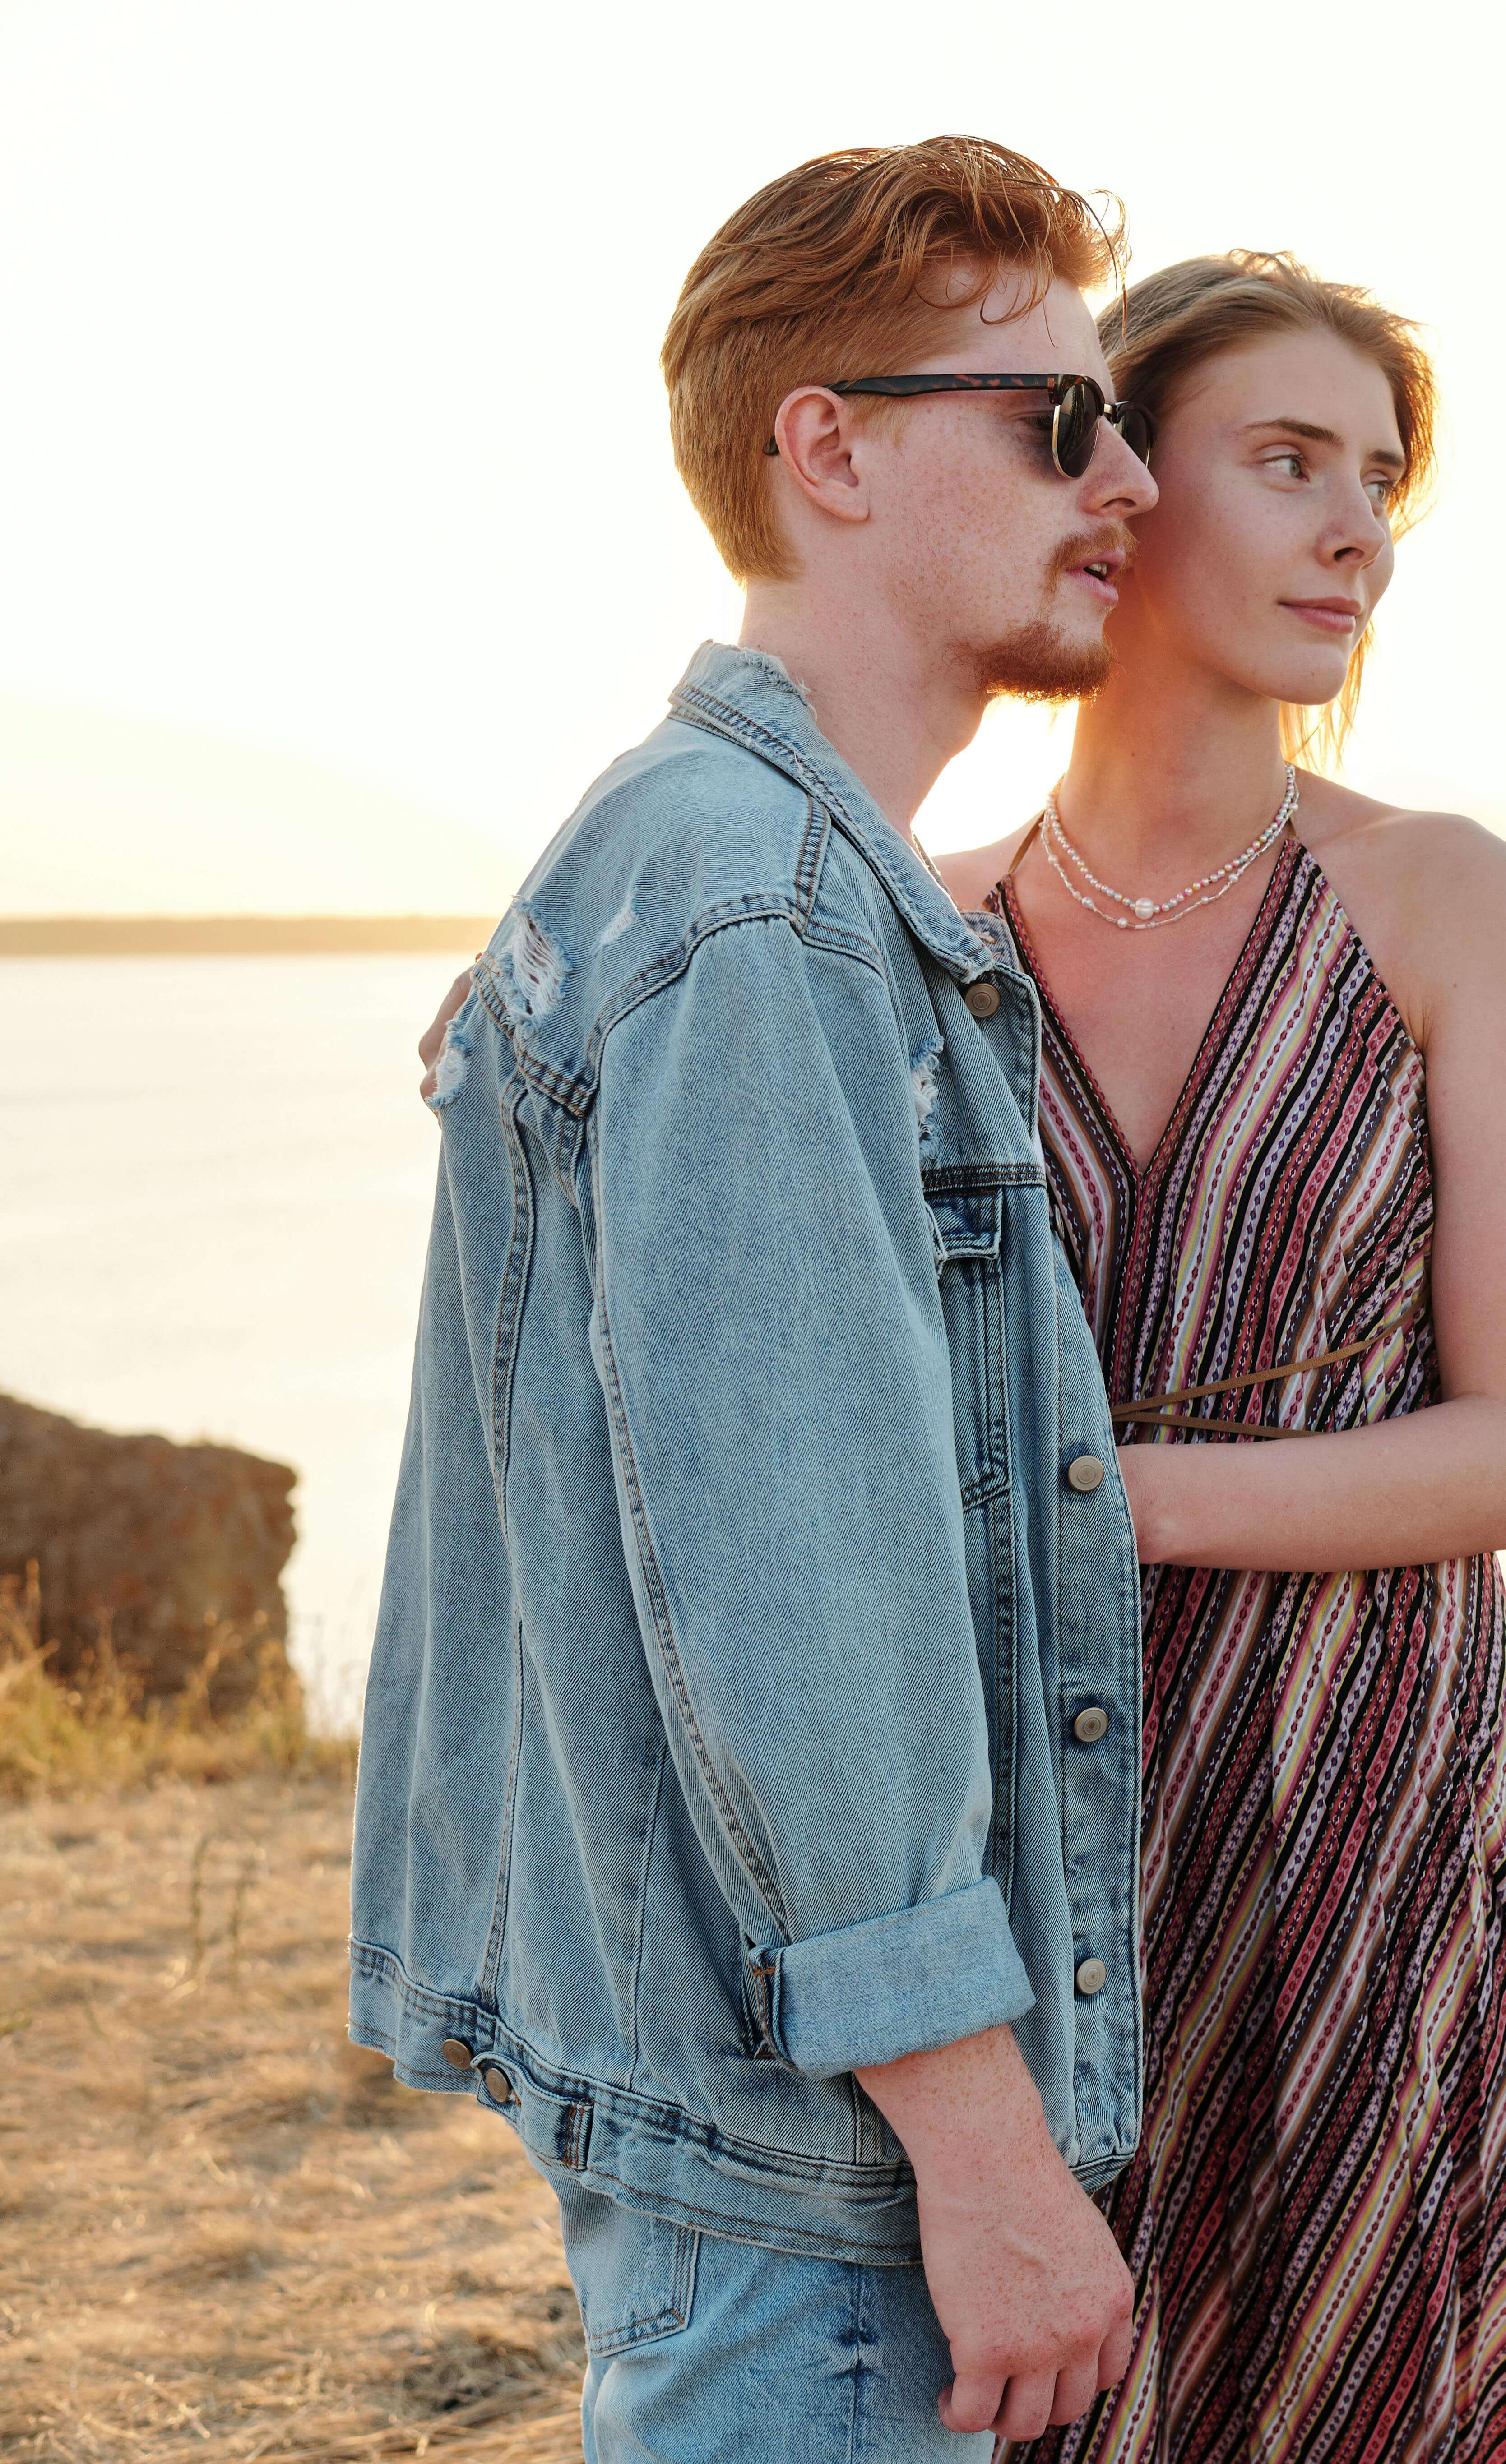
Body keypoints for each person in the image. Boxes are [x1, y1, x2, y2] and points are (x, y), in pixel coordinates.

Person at [353, 138, 1161, 2458]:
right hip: (819, 2187)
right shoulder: (762, 918)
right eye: (1052, 423)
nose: (1120, 484)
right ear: (828, 447)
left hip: (752, 2136)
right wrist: (989, 2159)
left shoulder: (733, 870)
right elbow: (800, 1594)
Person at [935, 254, 1506, 2463]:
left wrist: (1095, 1503)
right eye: (1289, 462)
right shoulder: (926, 929)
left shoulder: (1440, 899)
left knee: (1362, 2372)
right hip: (1026, 1802)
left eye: (1380, 481)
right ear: (1117, 485)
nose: (1360, 532)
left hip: (1353, 1785)